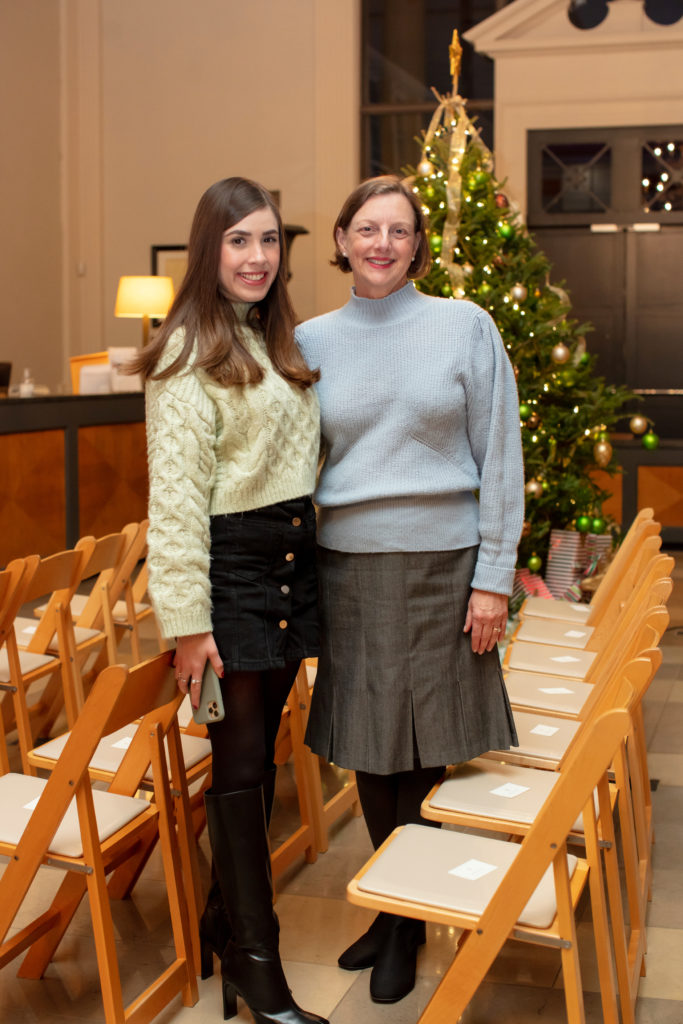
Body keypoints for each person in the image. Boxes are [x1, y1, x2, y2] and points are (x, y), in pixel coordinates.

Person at [295, 175, 524, 1005]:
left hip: (445, 567)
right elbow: (295, 463)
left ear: (418, 243)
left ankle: (404, 919)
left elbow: (499, 454)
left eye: (397, 230)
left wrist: (492, 577)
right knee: (368, 740)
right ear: (342, 239)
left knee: (424, 746)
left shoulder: (464, 326)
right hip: (348, 566)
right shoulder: (311, 339)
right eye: (366, 228)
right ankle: (396, 912)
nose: (381, 243)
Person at [137, 177, 328, 1024]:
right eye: (238, 242)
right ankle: (257, 965)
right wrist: (187, 626)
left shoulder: (272, 338)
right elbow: (173, 505)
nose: (256, 258)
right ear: (208, 251)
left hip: (290, 565)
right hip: (230, 579)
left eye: (267, 241)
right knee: (240, 771)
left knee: (261, 762)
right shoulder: (186, 353)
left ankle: (223, 923)